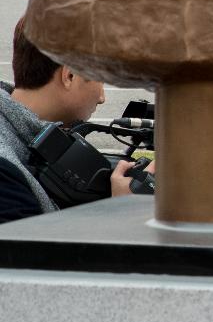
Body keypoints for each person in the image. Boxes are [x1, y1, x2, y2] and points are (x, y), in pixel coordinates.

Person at [1, 17, 139, 222]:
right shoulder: (5, 172)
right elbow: (33, 253)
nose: (102, 98)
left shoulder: (24, 134)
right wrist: (119, 214)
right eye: (100, 78)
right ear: (70, 75)